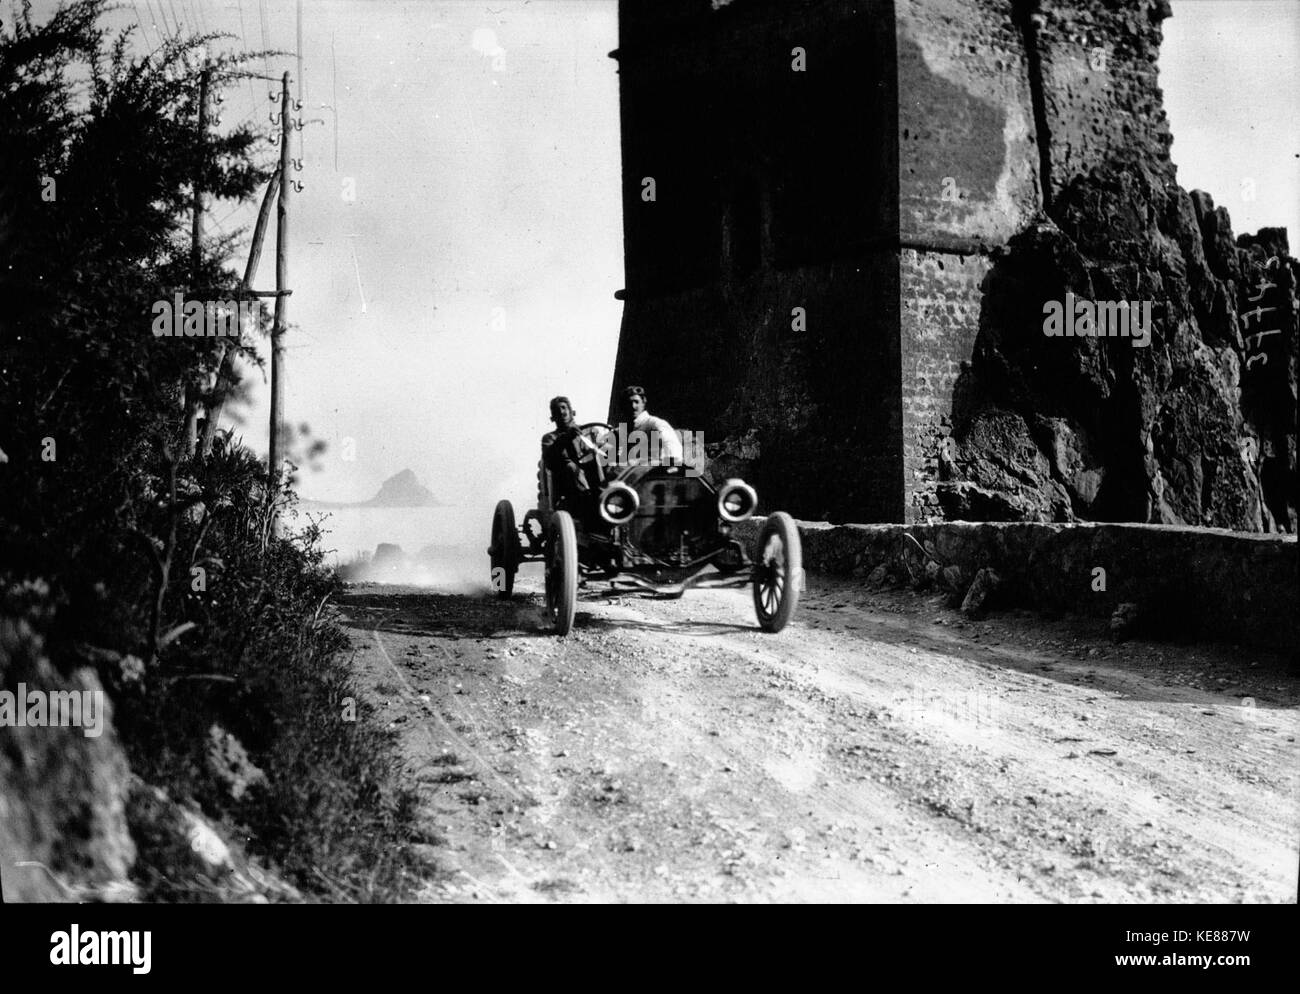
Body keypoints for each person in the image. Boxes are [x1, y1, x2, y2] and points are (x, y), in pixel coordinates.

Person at [541, 396, 608, 511]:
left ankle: (608, 494)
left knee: (601, 460)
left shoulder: (590, 431)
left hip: (595, 477)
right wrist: (566, 437)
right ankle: (588, 499)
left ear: (572, 412)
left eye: (563, 408)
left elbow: (605, 448)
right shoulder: (550, 438)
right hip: (569, 486)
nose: (561, 412)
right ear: (553, 418)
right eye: (557, 410)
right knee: (570, 467)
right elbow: (549, 460)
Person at [619, 385, 683, 464]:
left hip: (650, 473)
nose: (633, 406)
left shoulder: (655, 423)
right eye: (629, 403)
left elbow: (673, 449)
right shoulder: (625, 429)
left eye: (636, 402)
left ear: (643, 402)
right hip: (630, 472)